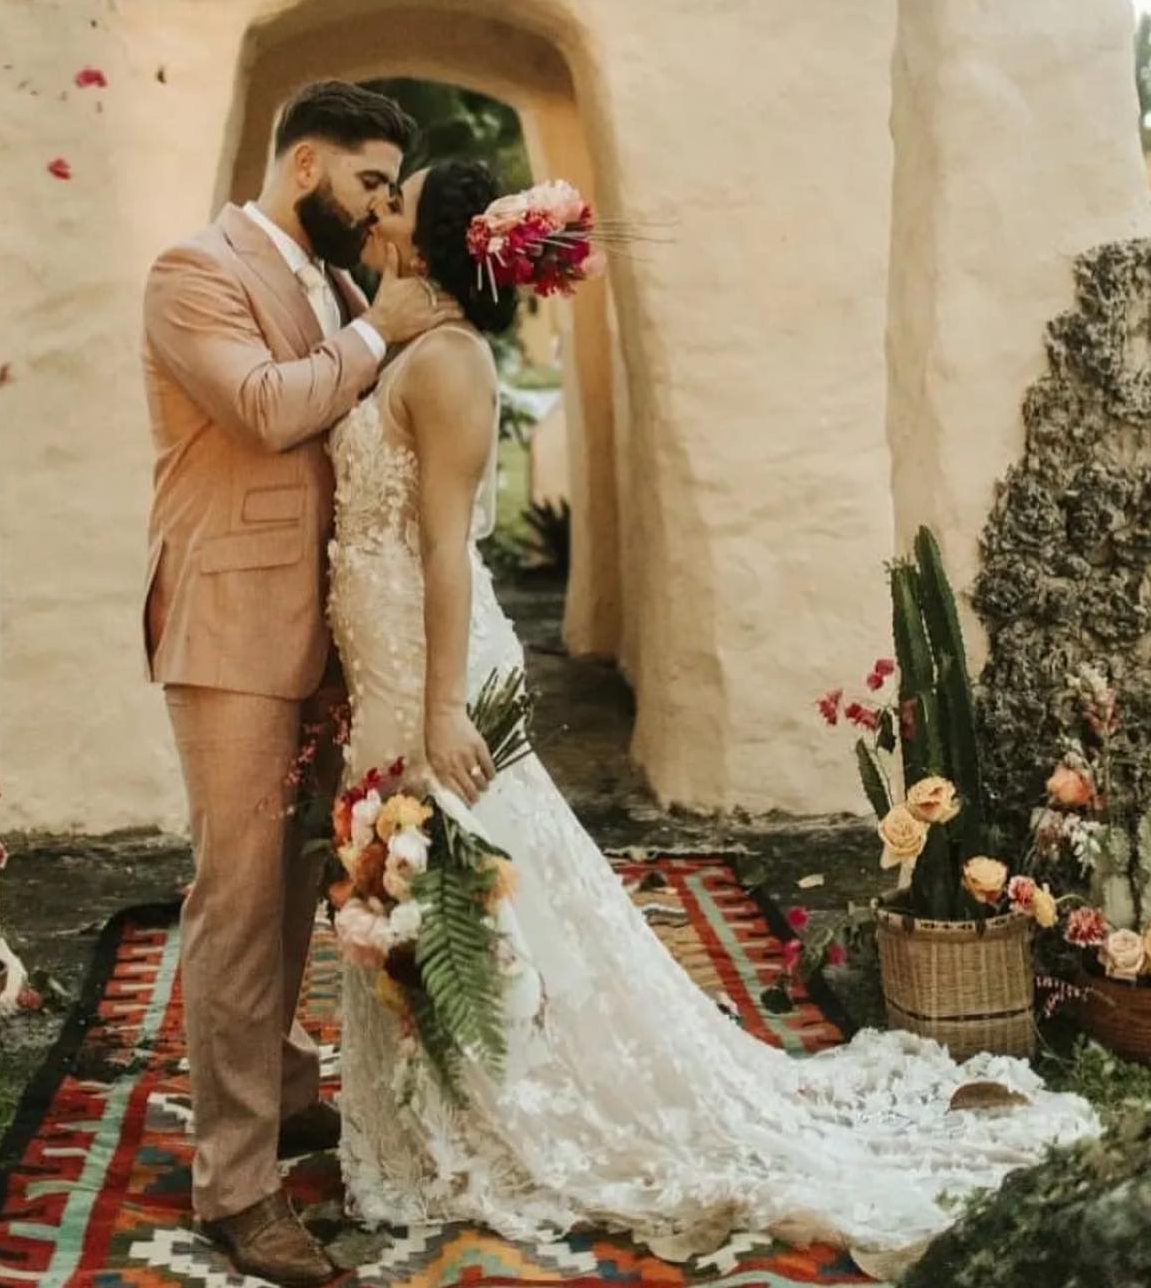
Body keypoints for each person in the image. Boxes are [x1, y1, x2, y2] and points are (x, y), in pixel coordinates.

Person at [325, 158, 1100, 1281]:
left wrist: (442, 705)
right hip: (389, 662)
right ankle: (443, 1102)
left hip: (430, 667)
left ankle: (516, 1105)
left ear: (434, 239)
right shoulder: (405, 342)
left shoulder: (446, 363)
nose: (379, 209)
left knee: (469, 888)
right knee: (426, 885)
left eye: (398, 200)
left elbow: (446, 547)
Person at [140, 81, 460, 1287]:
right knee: (236, 900)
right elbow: (268, 408)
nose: (379, 206)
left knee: (291, 882)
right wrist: (383, 331)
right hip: (230, 624)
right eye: (371, 181)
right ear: (307, 162)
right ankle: (235, 1187)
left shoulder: (333, 284)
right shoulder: (194, 270)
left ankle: (277, 1090)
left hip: (325, 629)